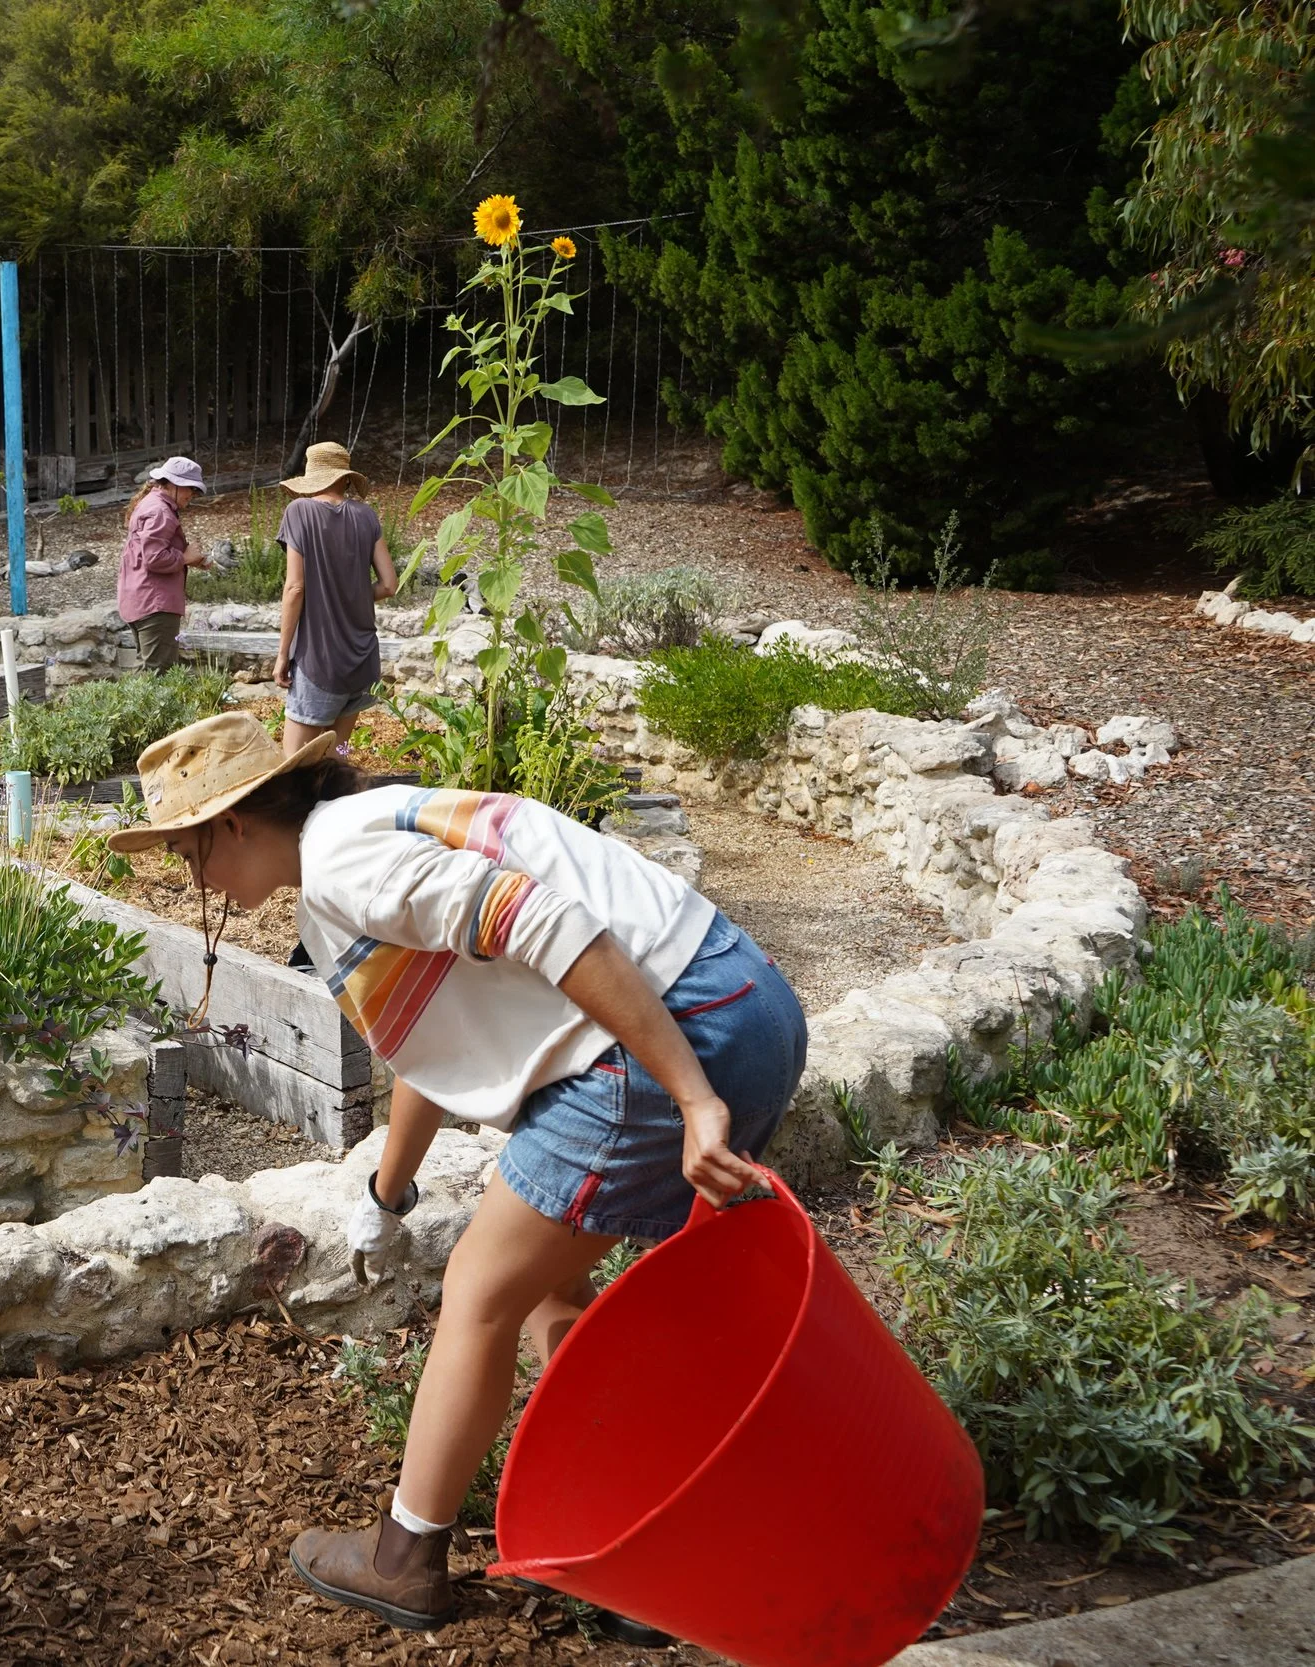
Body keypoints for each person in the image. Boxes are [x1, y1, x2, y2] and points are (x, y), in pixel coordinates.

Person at [108, 714, 806, 1637]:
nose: (190, 878)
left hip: (681, 1028)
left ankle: (405, 1558)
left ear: (234, 823)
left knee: (480, 1284)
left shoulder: (345, 863)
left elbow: (542, 920)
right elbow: (428, 1038)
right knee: (547, 1278)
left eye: (188, 851)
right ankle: (645, 1534)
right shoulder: (363, 835)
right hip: (737, 997)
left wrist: (692, 1097)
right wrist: (385, 1191)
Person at [273, 442, 398, 757]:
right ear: (345, 478)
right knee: (335, 763)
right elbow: (389, 585)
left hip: (319, 663)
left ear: (312, 477)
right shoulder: (366, 515)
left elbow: (295, 589)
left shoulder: (299, 512)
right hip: (360, 664)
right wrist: (351, 594)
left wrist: (282, 655)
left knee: (294, 768)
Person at [115, 456, 211, 671]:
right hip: (155, 604)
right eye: (191, 489)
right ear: (175, 484)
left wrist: (191, 560)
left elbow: (149, 552)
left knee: (147, 670)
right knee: (158, 674)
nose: (192, 496)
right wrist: (185, 558)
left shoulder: (151, 504)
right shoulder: (161, 512)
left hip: (139, 598)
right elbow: (155, 558)